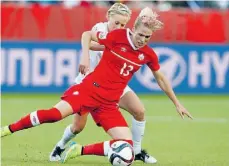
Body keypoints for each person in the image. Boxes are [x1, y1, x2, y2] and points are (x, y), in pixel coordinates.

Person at [1, 7, 193, 165]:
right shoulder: (116, 36)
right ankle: (7, 129)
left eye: (148, 37)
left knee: (127, 152)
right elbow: (87, 35)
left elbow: (161, 78)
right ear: (133, 30)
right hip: (89, 90)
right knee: (54, 116)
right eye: (141, 35)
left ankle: (79, 150)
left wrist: (177, 103)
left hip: (108, 103)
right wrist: (85, 57)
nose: (143, 40)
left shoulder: (148, 54)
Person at [49, 3, 156, 164]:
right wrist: (87, 55)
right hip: (91, 83)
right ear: (108, 17)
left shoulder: (123, 35)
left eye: (123, 24)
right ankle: (60, 146)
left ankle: (137, 151)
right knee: (78, 127)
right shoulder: (100, 28)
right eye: (116, 23)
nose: (119, 26)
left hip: (114, 85)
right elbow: (89, 40)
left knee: (139, 111)